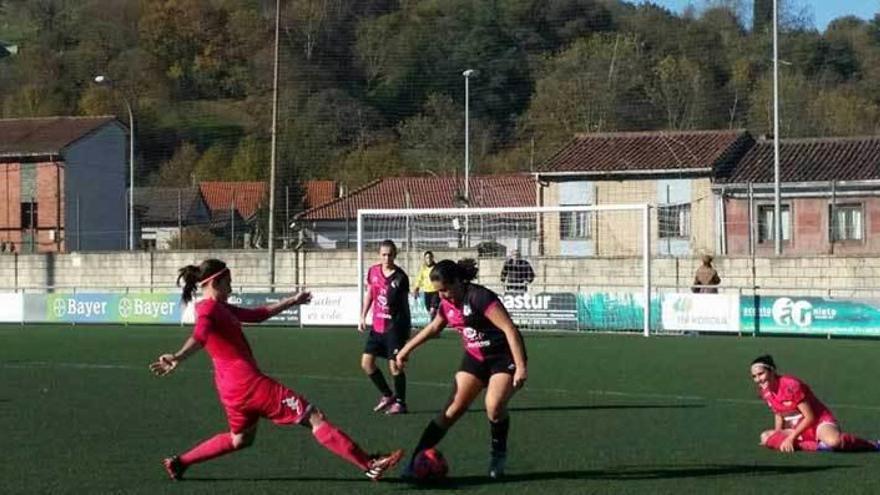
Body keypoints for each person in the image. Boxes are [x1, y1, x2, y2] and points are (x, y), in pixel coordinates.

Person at [151, 259, 403, 481]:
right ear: (216, 281)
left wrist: (292, 300)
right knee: (314, 417)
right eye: (229, 282)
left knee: (240, 439)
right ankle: (369, 464)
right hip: (249, 385)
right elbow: (200, 335)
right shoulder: (207, 308)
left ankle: (179, 462)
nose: (232, 287)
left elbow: (259, 315)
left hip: (230, 391)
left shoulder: (220, 307)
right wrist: (178, 356)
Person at [396, 259, 528, 479]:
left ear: (458, 282)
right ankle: (414, 460)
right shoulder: (445, 304)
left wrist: (521, 366)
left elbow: (509, 329)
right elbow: (434, 328)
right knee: (450, 411)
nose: (442, 296)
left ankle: (498, 455)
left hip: (501, 358)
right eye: (438, 292)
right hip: (475, 359)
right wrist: (406, 350)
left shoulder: (479, 297)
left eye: (445, 290)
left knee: (494, 406)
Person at [750, 355, 877, 453]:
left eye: (761, 374)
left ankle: (873, 444)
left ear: (772, 371)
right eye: (754, 376)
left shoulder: (791, 385)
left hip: (818, 423)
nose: (758, 379)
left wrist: (790, 438)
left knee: (834, 442)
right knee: (765, 437)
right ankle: (818, 446)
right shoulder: (765, 391)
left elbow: (810, 417)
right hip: (797, 428)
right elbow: (778, 413)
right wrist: (778, 433)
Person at [358, 239, 412, 415]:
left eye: (390, 254)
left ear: (395, 255)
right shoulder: (373, 271)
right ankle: (388, 395)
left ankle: (401, 403)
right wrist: (363, 316)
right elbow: (370, 294)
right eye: (383, 254)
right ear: (379, 255)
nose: (386, 258)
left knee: (395, 367)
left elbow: (405, 306)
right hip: (377, 327)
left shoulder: (401, 277)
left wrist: (406, 331)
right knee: (366, 363)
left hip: (394, 328)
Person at [412, 250, 440, 319]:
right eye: (427, 258)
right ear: (425, 259)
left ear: (432, 258)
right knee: (429, 309)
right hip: (427, 291)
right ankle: (434, 321)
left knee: (432, 310)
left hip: (435, 291)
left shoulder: (436, 268)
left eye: (430, 257)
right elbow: (419, 279)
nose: (429, 259)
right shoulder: (423, 268)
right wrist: (416, 288)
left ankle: (433, 324)